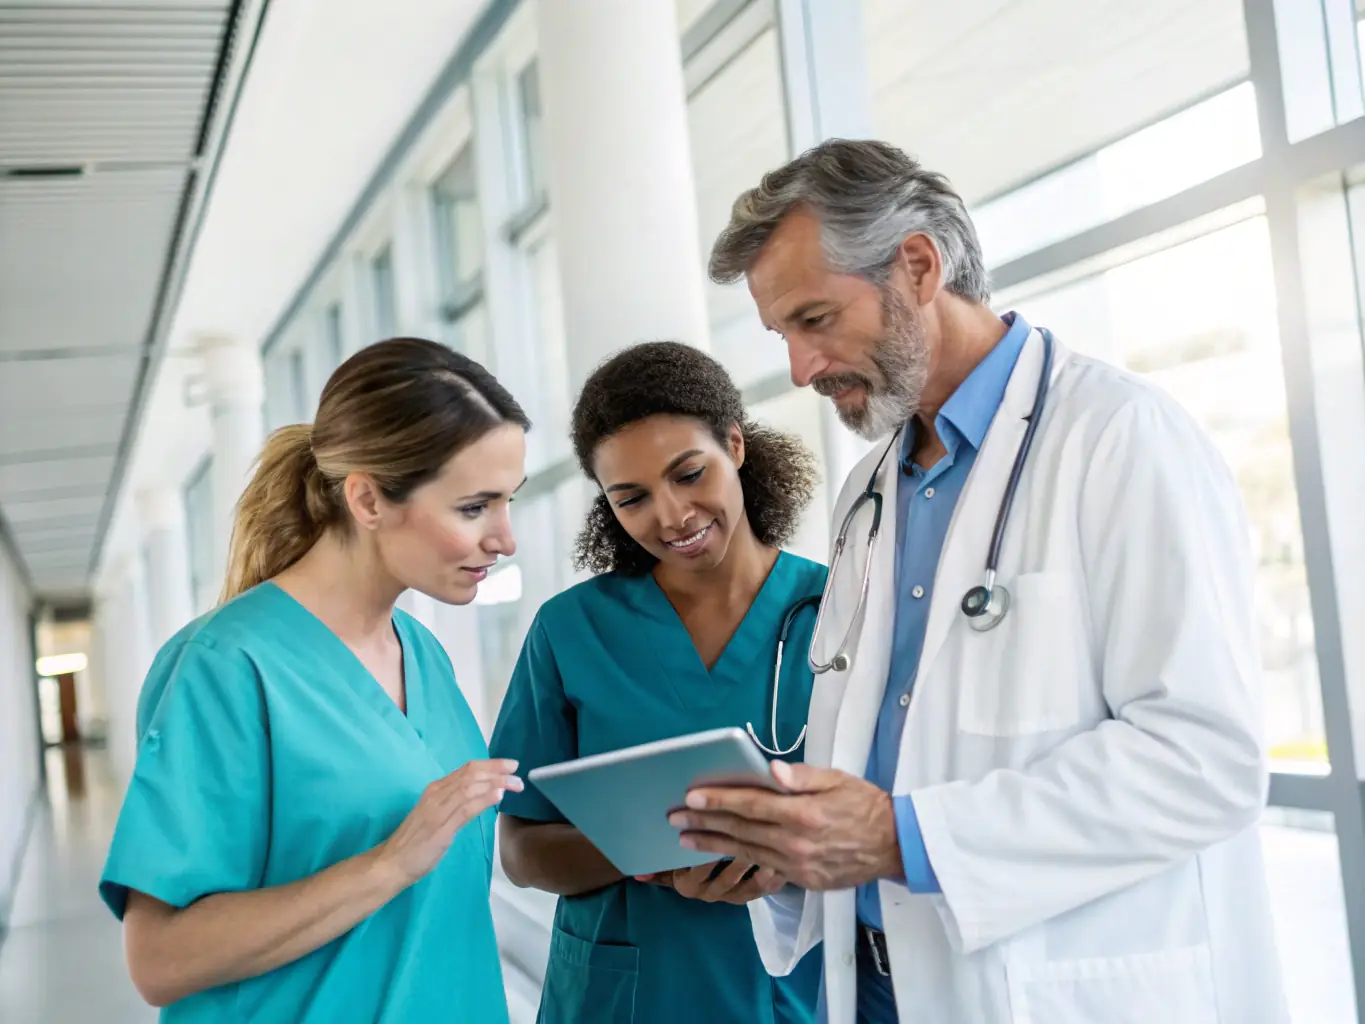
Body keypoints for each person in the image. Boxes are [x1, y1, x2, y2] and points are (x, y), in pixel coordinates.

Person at [664, 139, 1290, 1023]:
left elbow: (1203, 760)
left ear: (917, 266)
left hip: (1055, 984)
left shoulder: (1118, 439)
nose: (801, 370)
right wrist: (784, 845)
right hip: (879, 980)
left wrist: (900, 836)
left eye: (815, 319)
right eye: (783, 337)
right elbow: (871, 745)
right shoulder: (869, 492)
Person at [98, 338, 529, 1023]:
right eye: (474, 507)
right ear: (366, 499)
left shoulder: (422, 653)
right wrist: (388, 864)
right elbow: (159, 960)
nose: (504, 538)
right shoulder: (223, 666)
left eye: (510, 501)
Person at [489, 340, 825, 1024]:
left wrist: (785, 850)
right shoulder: (571, 631)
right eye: (630, 498)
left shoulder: (843, 613)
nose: (670, 516)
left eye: (688, 473)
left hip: (796, 989)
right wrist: (654, 846)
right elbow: (521, 851)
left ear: (734, 444)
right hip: (627, 995)